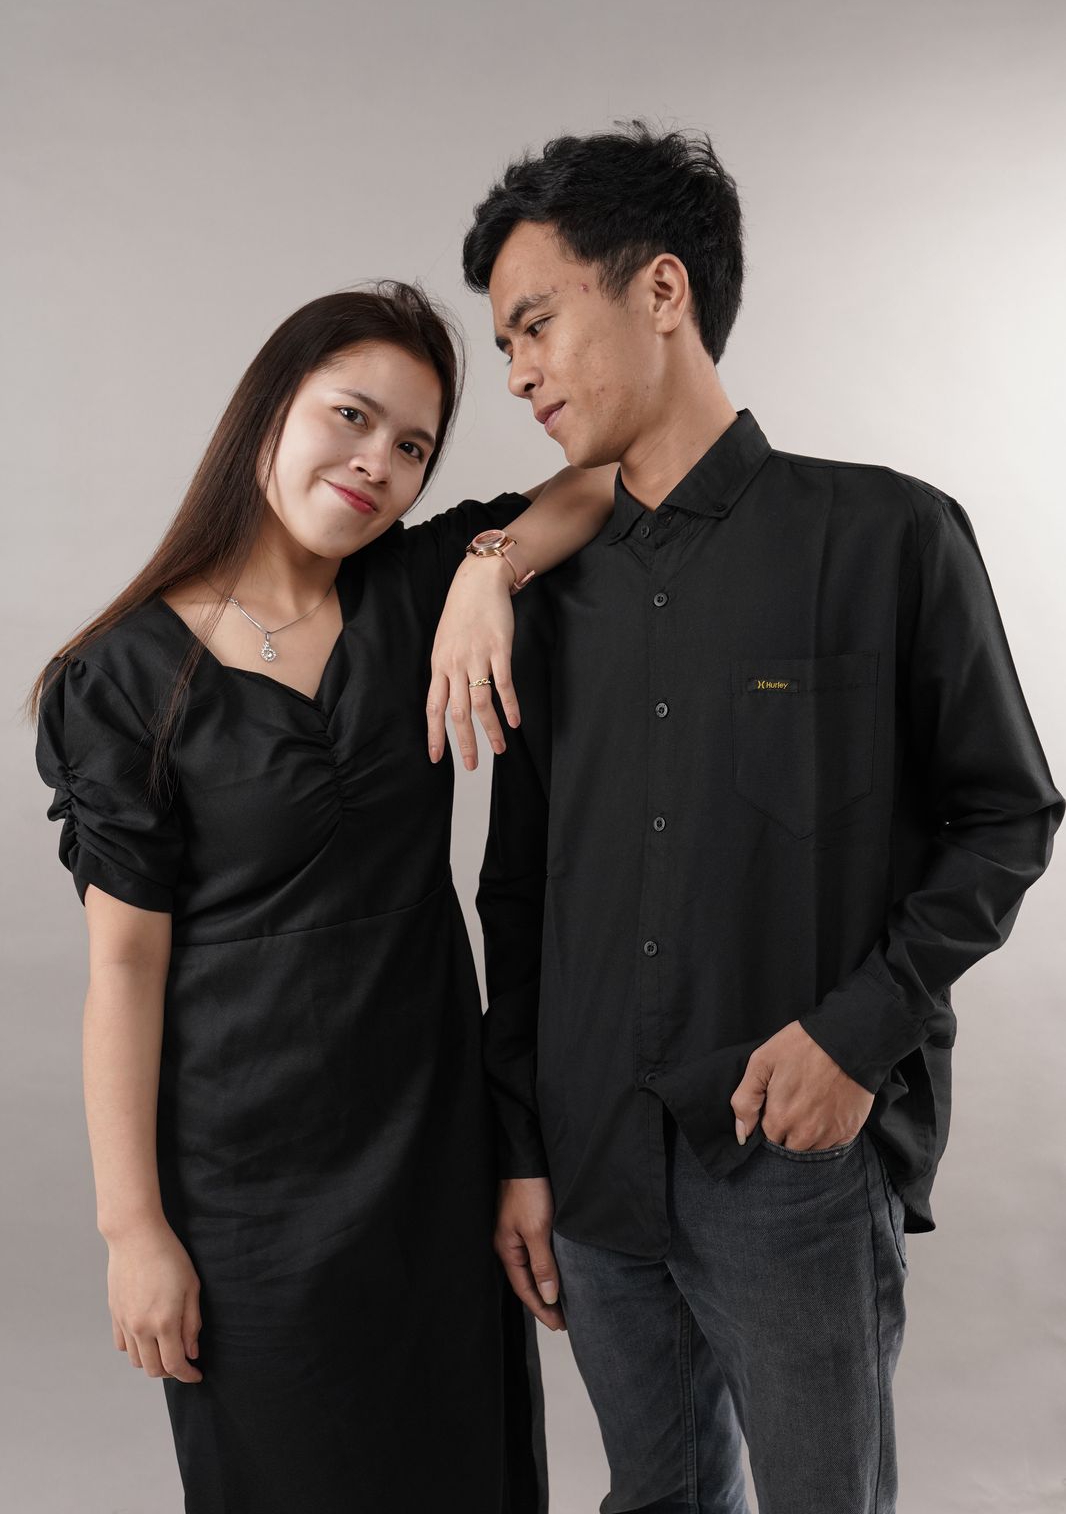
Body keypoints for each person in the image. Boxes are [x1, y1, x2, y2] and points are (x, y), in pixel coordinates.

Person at [465, 124, 1064, 1513]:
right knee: (651, 1498)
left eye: (535, 324)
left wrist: (857, 1035)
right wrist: (522, 1148)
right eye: (503, 348)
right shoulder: (546, 595)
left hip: (789, 1163)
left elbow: (1005, 814)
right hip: (594, 1162)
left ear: (661, 290)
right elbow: (517, 893)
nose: (518, 374)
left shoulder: (890, 538)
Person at [32, 282, 616, 1513]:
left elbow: (608, 480)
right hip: (246, 1189)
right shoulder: (122, 677)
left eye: (411, 446)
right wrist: (132, 1230)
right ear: (269, 411)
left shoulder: (414, 590)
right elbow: (124, 970)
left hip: (433, 1158)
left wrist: (488, 570)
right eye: (350, 416)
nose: (376, 464)